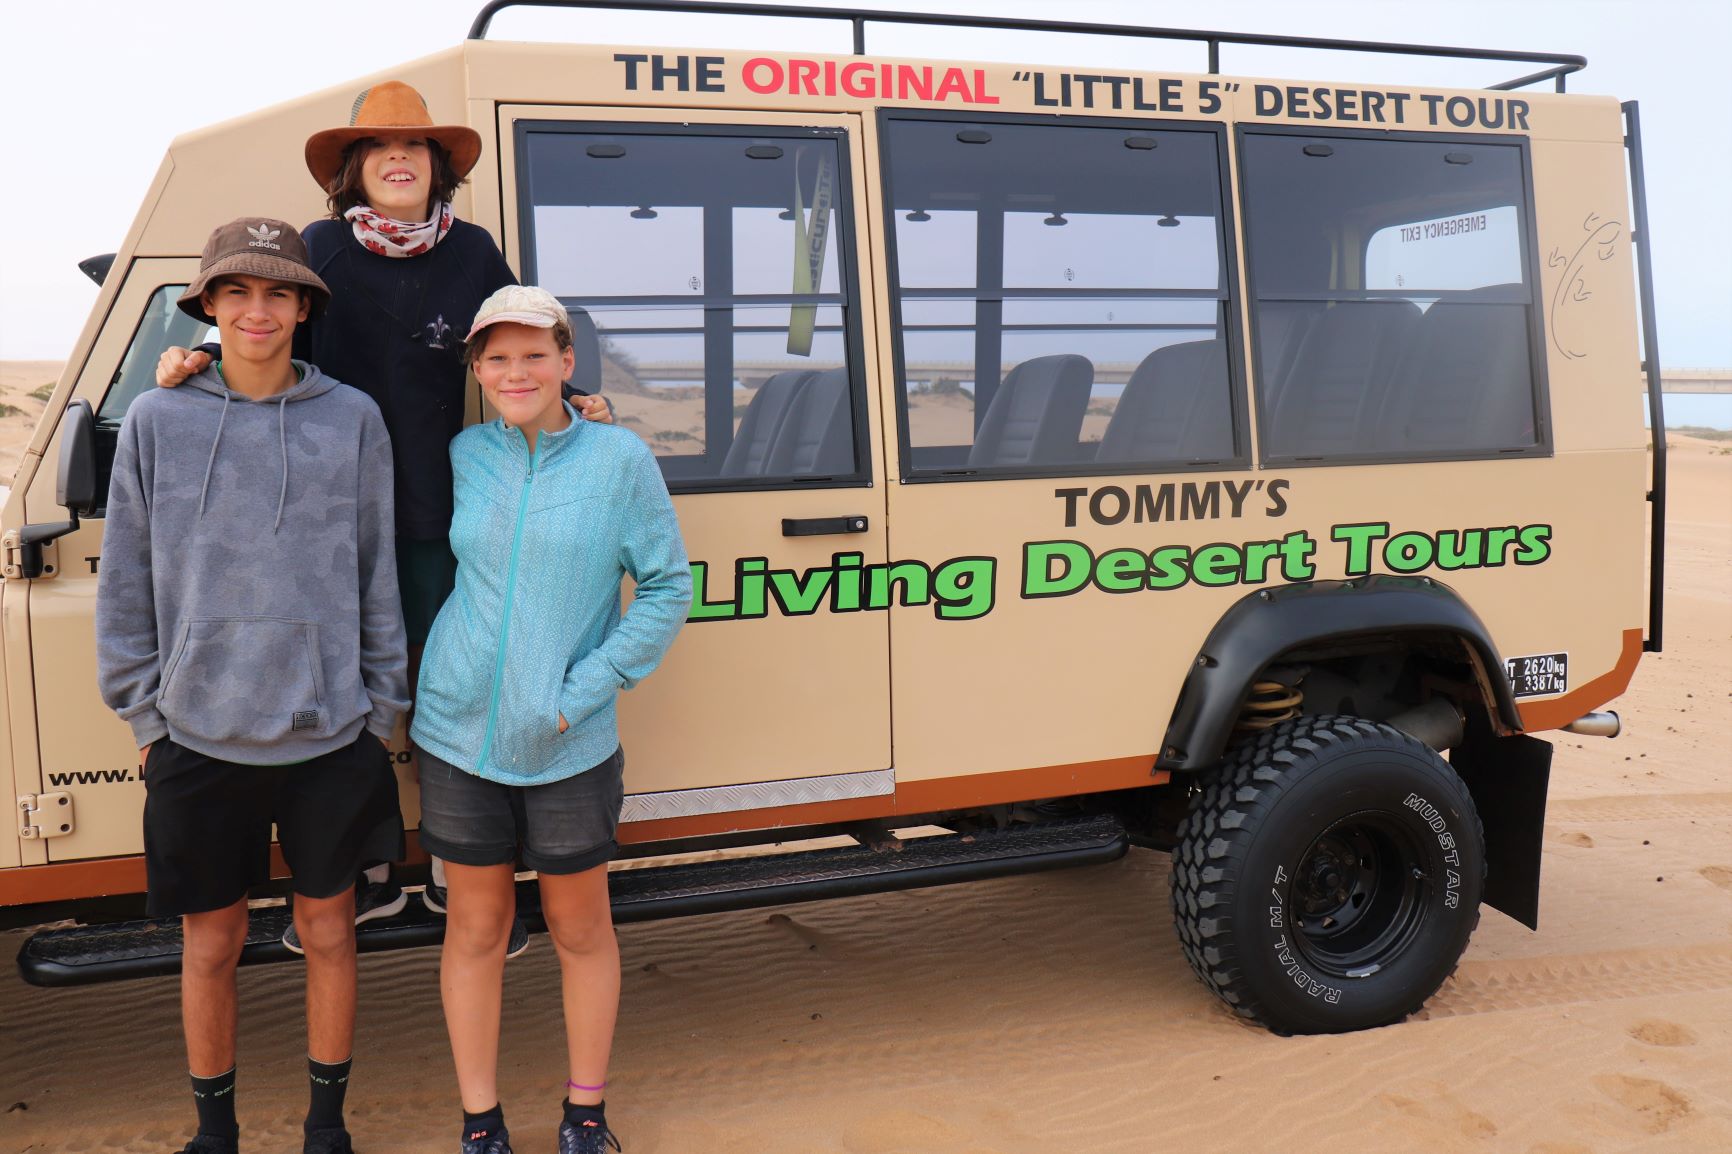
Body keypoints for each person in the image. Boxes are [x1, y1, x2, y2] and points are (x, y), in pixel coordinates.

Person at [156, 81, 611, 948]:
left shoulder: (474, 251)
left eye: (416, 147)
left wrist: (579, 394)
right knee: (349, 683)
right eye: (378, 148)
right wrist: (198, 358)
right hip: (325, 513)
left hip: (441, 509)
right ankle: (364, 879)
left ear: (437, 167)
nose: (398, 158)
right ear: (353, 171)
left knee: (452, 686)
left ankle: (455, 873)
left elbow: (513, 336)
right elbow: (265, 328)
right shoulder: (320, 247)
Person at [97, 218, 408, 1154]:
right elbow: (125, 574)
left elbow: (374, 567)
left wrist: (382, 709)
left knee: (330, 935)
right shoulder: (158, 419)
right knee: (211, 944)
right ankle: (215, 1133)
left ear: (304, 307)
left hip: (329, 735)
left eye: (278, 292)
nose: (259, 310)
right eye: (238, 293)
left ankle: (325, 1126)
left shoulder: (352, 418)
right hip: (196, 735)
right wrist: (145, 713)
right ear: (209, 308)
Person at [411, 285, 690, 1154]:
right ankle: (481, 1121)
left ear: (568, 363)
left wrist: (586, 690)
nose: (516, 370)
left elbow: (668, 587)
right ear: (478, 370)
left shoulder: (619, 460)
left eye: (535, 353)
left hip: (570, 740)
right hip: (458, 735)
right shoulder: (464, 454)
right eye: (497, 356)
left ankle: (585, 1115)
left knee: (578, 929)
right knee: (477, 930)